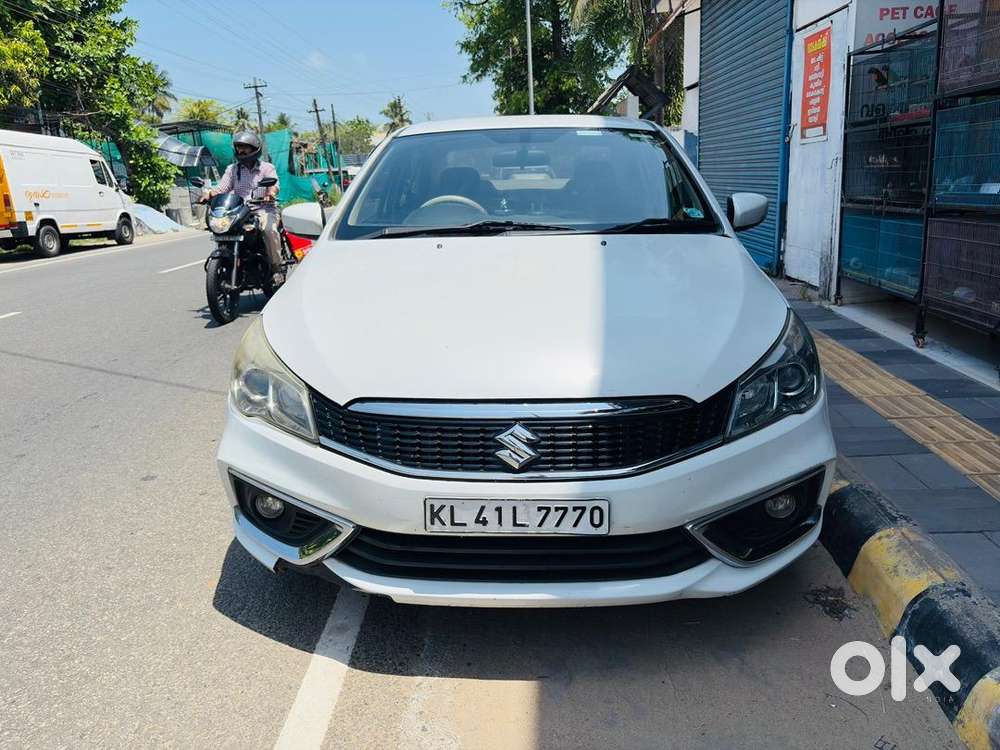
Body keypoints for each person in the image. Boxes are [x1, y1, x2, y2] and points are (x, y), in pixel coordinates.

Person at [203, 131, 284, 287]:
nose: (241, 150)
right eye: (239, 147)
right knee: (224, 230)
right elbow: (222, 188)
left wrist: (271, 193)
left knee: (269, 230)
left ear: (254, 148)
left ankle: (276, 269)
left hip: (263, 208)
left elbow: (274, 185)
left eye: (245, 147)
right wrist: (208, 194)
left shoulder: (267, 168)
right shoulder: (232, 169)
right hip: (239, 210)